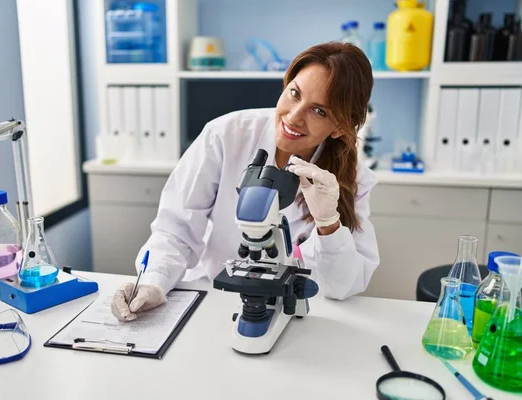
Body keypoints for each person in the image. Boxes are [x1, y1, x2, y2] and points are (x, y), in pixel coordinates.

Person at [112, 42, 380, 322]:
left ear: (340, 127)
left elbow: (342, 286)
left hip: (298, 314)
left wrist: (329, 223)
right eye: (294, 94)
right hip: (212, 295)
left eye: (319, 111)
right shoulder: (226, 135)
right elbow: (176, 229)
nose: (294, 116)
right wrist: (153, 281)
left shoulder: (351, 179)